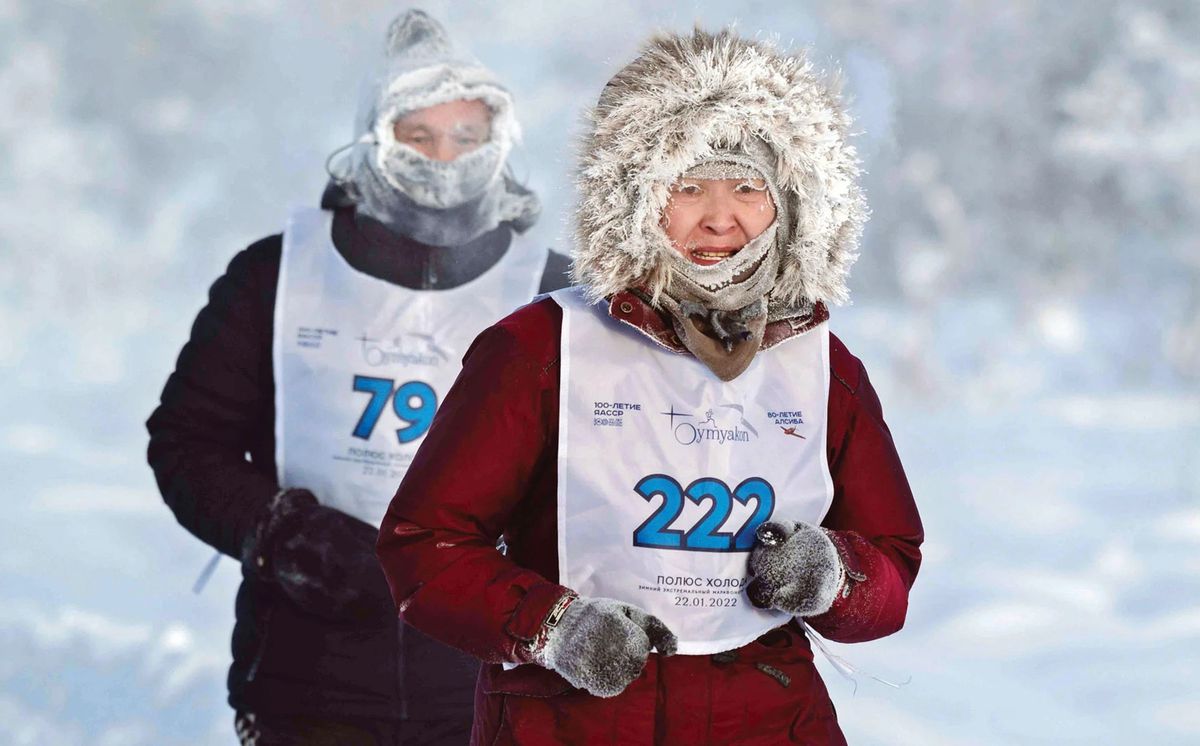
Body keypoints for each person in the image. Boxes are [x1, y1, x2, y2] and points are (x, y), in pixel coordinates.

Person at [376, 26, 924, 744]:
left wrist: (834, 577)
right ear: (636, 197)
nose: (720, 218)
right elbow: (425, 544)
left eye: (747, 187)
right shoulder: (539, 349)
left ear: (790, 201)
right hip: (567, 726)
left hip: (771, 722)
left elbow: (891, 562)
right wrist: (554, 629)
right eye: (688, 187)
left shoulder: (826, 366)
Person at [146, 10, 568, 745]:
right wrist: (280, 534)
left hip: (498, 692)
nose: (445, 160)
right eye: (419, 136)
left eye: (466, 138)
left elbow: (621, 467)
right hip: (308, 687)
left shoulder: (558, 296)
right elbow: (186, 443)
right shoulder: (276, 275)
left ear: (500, 145)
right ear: (374, 138)